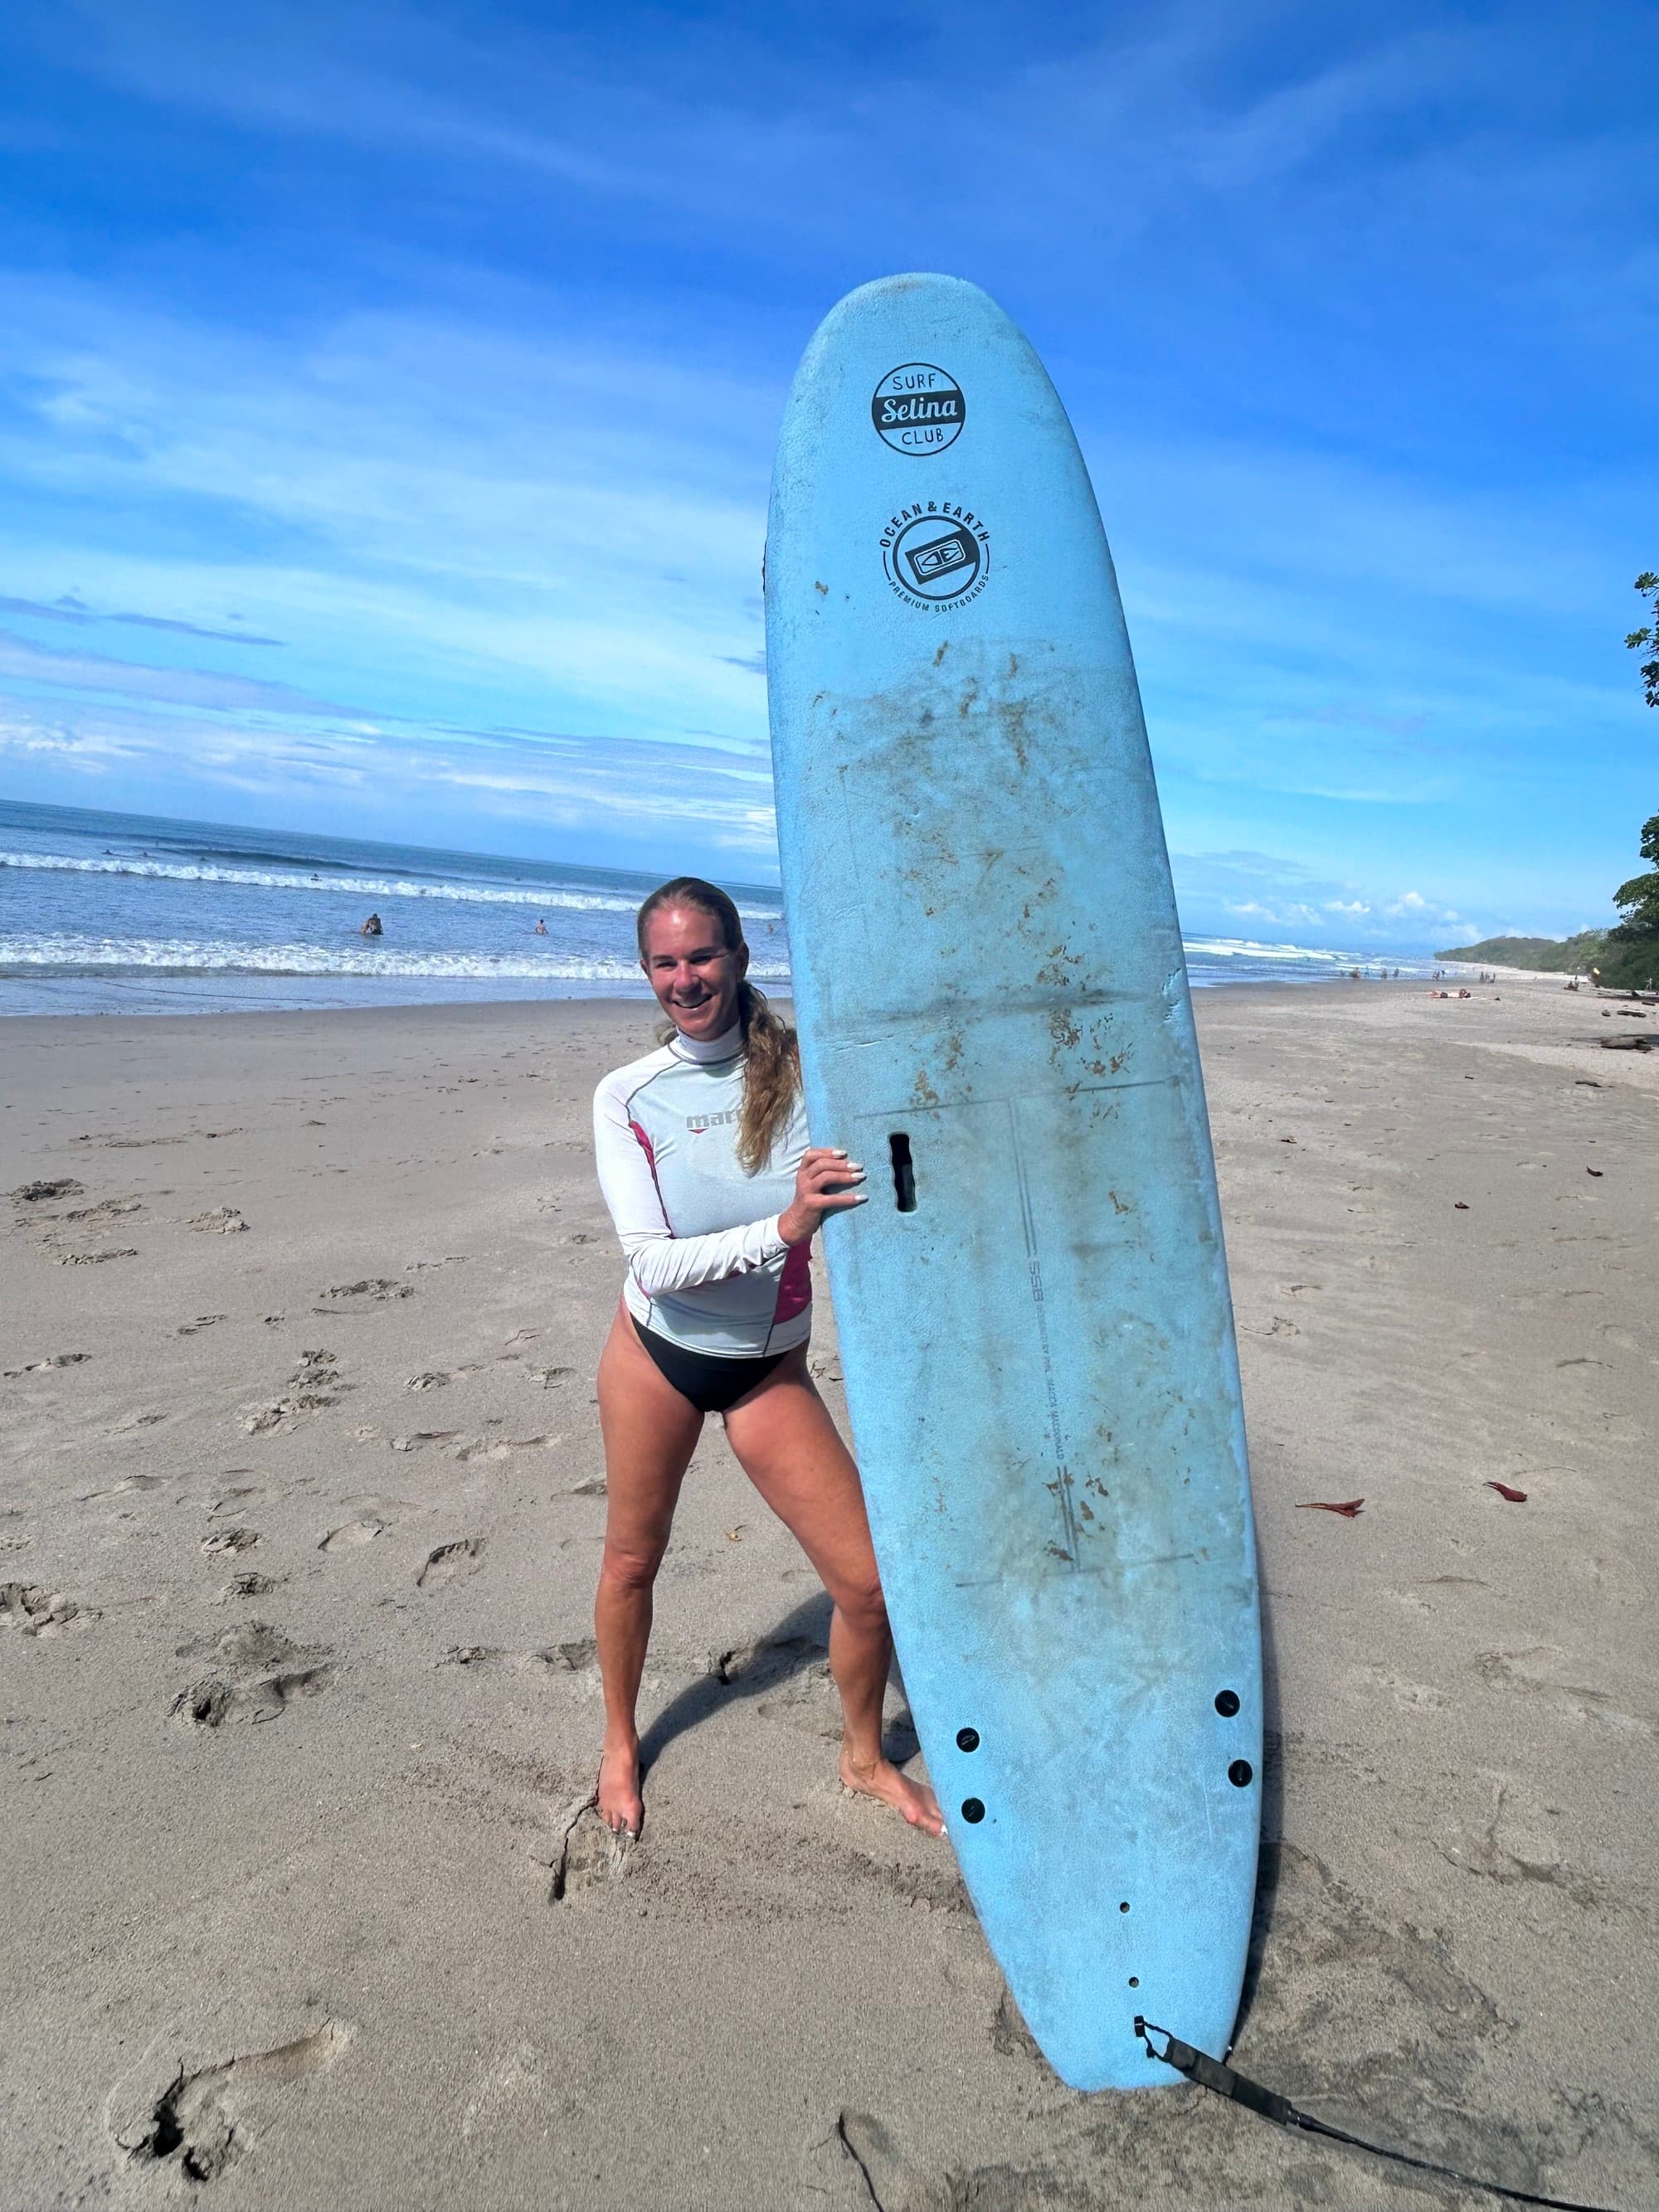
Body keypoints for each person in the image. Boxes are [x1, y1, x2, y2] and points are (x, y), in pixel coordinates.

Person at [590, 876, 943, 1842]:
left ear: (741, 956)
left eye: (701, 955)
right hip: (657, 1356)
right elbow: (653, 1264)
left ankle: (863, 1756)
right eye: (663, 962)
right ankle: (620, 1744)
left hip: (765, 1369)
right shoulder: (627, 1097)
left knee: (868, 1586)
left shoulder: (809, 1075)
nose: (684, 978)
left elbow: (912, 1135)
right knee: (631, 1559)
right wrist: (784, 1226)